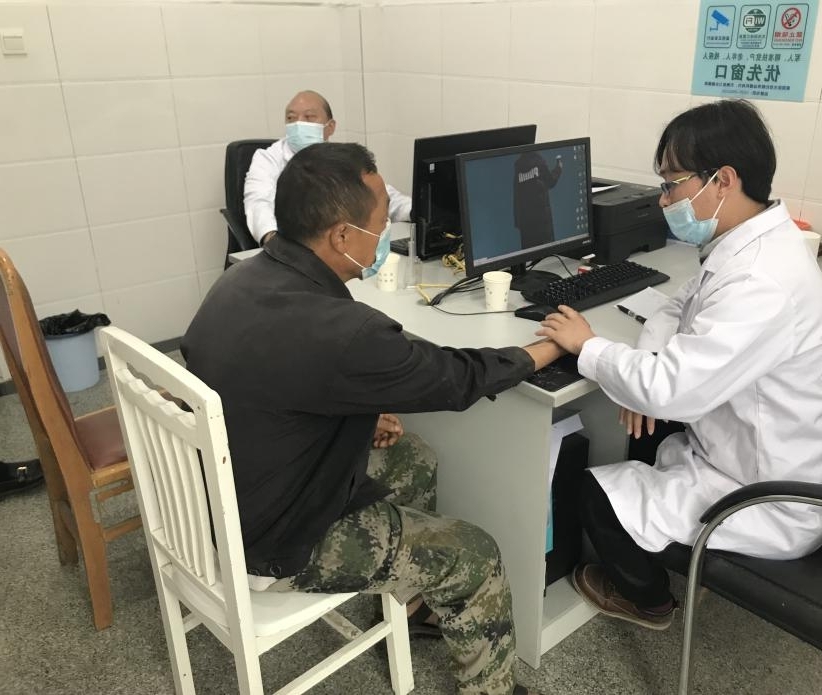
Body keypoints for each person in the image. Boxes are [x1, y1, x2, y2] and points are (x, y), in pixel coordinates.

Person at [183, 141, 562, 695]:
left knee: (414, 457)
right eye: (382, 224)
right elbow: (456, 379)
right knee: (475, 553)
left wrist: (357, 412)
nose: (386, 233)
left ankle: (411, 606)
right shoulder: (344, 331)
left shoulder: (240, 281)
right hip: (273, 540)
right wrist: (546, 349)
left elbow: (278, 381)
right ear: (342, 235)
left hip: (218, 497)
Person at [536, 99, 822, 630]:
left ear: (723, 180)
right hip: (755, 452)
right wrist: (647, 369)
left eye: (671, 184)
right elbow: (676, 306)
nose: (663, 200)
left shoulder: (760, 281)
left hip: (772, 496)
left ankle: (649, 600)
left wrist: (588, 347)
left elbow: (669, 390)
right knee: (645, 421)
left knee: (590, 489)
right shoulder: (753, 244)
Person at [243, 90, 412, 246]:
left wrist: (414, 210)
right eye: (291, 118)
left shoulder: (340, 158)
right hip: (292, 246)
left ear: (330, 127)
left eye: (309, 117)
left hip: (339, 245)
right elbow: (258, 202)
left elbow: (378, 195)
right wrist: (272, 239)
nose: (298, 124)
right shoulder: (268, 158)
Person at [513, 151, 562, 248]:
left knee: (530, 251)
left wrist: (518, 221)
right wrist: (559, 168)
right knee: (546, 251)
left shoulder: (518, 166)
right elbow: (550, 181)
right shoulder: (538, 160)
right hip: (542, 220)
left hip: (526, 223)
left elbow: (516, 194)